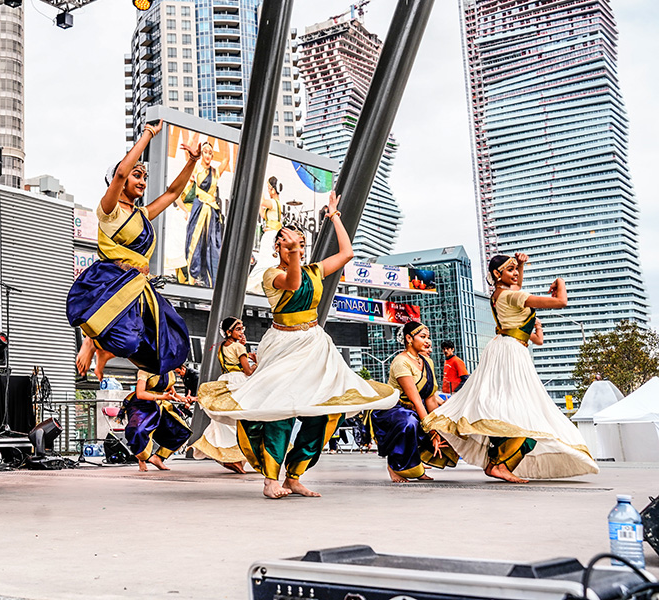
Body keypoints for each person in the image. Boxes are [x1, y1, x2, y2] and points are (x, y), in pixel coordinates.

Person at [198, 191, 397, 499]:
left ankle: (295, 475)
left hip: (315, 343)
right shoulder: (271, 274)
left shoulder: (314, 271)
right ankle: (270, 479)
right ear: (278, 246)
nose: (298, 248)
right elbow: (292, 284)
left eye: (301, 244)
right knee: (281, 410)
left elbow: (346, 253)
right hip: (284, 345)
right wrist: (292, 256)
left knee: (324, 410)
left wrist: (334, 217)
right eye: (291, 243)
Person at [423, 254, 597, 482]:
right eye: (511, 269)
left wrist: (521, 266)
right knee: (520, 408)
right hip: (511, 352)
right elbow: (561, 302)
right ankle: (499, 463)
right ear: (497, 274)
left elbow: (516, 287)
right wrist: (560, 282)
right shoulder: (511, 295)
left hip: (506, 349)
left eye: (516, 269)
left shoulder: (500, 294)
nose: (516, 274)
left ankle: (500, 461)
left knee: (512, 407)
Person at [70, 120, 198, 381]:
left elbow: (173, 193)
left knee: (170, 338)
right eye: (136, 175)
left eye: (144, 177)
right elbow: (119, 174)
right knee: (127, 342)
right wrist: (148, 134)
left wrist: (191, 162)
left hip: (139, 287)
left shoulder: (143, 214)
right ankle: (92, 343)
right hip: (114, 283)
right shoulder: (108, 210)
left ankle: (100, 350)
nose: (142, 181)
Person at [370, 322, 458, 482]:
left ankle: (416, 468)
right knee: (410, 422)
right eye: (423, 337)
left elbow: (430, 398)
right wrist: (431, 432)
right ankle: (395, 467)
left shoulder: (427, 362)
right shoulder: (400, 362)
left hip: (416, 408)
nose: (428, 341)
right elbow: (416, 400)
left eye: (428, 337)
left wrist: (437, 427)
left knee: (447, 425)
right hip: (394, 411)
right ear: (409, 338)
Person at [191, 317, 249, 473]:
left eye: (242, 328)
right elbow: (248, 371)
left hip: (225, 381)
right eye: (238, 329)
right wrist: (259, 363)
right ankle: (237, 459)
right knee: (245, 421)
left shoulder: (222, 347)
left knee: (225, 422)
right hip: (239, 382)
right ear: (229, 332)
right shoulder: (238, 347)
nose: (242, 332)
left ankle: (234, 460)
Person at [124, 365, 195, 471]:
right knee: (139, 431)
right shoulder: (145, 370)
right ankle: (142, 459)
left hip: (160, 405)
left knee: (182, 431)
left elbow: (173, 394)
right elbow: (140, 394)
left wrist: (184, 399)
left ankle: (158, 458)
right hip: (142, 405)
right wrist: (163, 397)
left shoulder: (168, 371)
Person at [180, 141, 223, 287]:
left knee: (212, 244)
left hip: (212, 211)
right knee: (195, 241)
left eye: (210, 153)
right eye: (205, 152)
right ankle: (193, 276)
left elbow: (227, 160)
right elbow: (190, 157)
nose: (208, 155)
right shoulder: (197, 168)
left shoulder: (215, 172)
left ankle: (211, 281)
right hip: (199, 209)